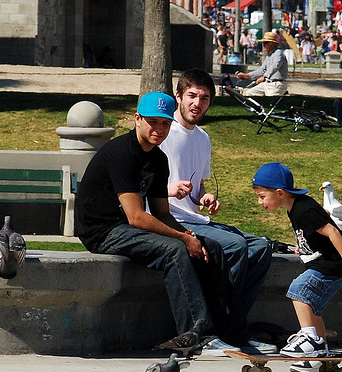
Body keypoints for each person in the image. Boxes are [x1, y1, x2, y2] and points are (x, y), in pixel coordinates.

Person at [74, 91, 238, 354]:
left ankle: (227, 333)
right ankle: (194, 336)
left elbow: (162, 213)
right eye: (152, 122)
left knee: (212, 248)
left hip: (126, 227)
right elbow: (137, 217)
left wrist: (191, 236)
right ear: (137, 119)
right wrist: (183, 239)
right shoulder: (123, 153)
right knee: (175, 250)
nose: (159, 130)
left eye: (164, 123)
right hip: (102, 231)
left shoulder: (158, 160)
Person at [159, 68, 276, 355]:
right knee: (234, 245)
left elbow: (197, 186)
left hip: (195, 216)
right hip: (171, 218)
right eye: (192, 96)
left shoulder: (203, 138)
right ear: (178, 96)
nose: (197, 103)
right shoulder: (162, 132)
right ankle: (217, 331)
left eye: (204, 98)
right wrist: (168, 189)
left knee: (261, 247)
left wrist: (204, 196)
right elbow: (142, 184)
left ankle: (234, 327)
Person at [252, 162, 342, 372]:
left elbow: (333, 232)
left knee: (299, 290)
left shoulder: (304, 209)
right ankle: (318, 357)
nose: (260, 202)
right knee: (313, 308)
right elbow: (311, 233)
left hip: (331, 264)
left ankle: (310, 338)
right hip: (324, 261)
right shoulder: (294, 207)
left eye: (262, 196)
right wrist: (302, 248)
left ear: (280, 193)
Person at [235, 31, 288, 97]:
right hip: (267, 83)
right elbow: (262, 70)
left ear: (271, 44)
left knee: (270, 100)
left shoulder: (278, 53)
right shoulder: (269, 56)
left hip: (276, 84)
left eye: (265, 43)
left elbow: (275, 66)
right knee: (249, 93)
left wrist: (264, 77)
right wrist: (247, 75)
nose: (263, 45)